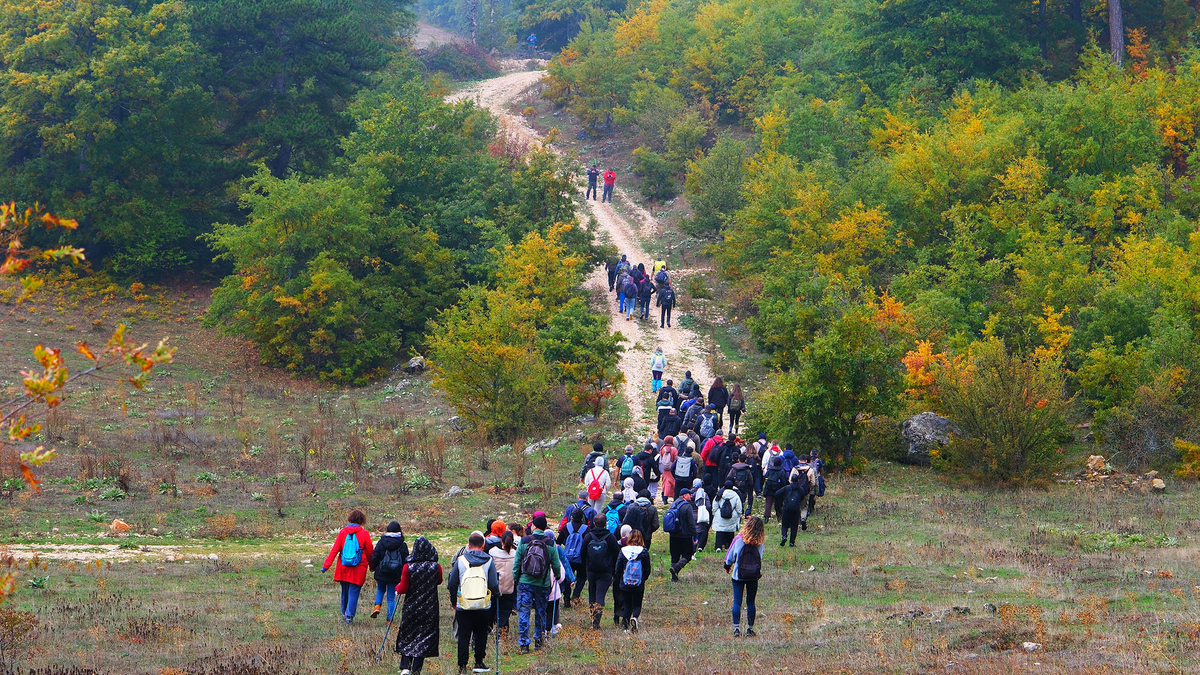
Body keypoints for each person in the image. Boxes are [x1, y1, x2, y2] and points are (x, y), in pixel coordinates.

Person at [447, 532, 500, 674]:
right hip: (483, 604)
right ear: (483, 546)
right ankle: (478, 662)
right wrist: (497, 594)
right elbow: (494, 583)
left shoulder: (461, 560)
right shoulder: (489, 560)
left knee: (464, 635)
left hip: (464, 604)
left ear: (469, 546)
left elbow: (452, 584)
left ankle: (462, 666)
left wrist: (453, 601)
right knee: (481, 633)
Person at [512, 515, 562, 653]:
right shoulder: (550, 543)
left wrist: (516, 578)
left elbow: (517, 562)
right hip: (543, 583)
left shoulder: (524, 541)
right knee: (541, 612)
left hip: (524, 582)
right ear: (545, 527)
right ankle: (538, 640)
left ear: (533, 526)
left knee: (524, 611)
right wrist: (557, 577)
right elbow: (556, 565)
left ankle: (524, 643)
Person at [395, 537, 442, 675]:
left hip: (411, 607)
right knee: (424, 637)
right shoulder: (436, 567)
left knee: (408, 634)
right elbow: (439, 581)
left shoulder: (408, 567)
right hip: (429, 608)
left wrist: (397, 588)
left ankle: (405, 666)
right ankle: (416, 669)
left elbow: (403, 588)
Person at [321, 509, 374, 624]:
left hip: (343, 568)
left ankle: (344, 614)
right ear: (362, 520)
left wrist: (326, 566)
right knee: (354, 592)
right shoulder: (364, 534)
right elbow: (370, 552)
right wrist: (372, 566)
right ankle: (349, 616)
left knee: (344, 592)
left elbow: (334, 550)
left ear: (350, 518)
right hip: (358, 568)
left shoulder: (343, 532)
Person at [724, 516, 765, 638]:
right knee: (751, 602)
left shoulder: (738, 539)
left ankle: (736, 628)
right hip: (753, 575)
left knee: (737, 601)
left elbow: (730, 556)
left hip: (738, 575)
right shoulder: (760, 542)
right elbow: (760, 557)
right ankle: (750, 628)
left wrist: (727, 566)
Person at [579, 514, 619, 629]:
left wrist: (587, 566)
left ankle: (593, 619)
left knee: (592, 594)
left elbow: (582, 554)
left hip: (591, 571)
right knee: (600, 595)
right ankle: (597, 622)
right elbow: (616, 554)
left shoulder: (588, 537)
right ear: (605, 523)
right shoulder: (610, 537)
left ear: (594, 523)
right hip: (606, 571)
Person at [369, 521, 408, 620]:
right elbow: (406, 560)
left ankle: (377, 606)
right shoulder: (402, 544)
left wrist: (373, 567)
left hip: (381, 572)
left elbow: (375, 556)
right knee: (391, 597)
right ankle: (389, 620)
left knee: (380, 590)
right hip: (395, 574)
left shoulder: (381, 542)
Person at [615, 530, 651, 632]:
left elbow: (618, 568)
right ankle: (634, 618)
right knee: (637, 604)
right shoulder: (644, 552)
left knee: (627, 604)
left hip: (625, 582)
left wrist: (619, 579)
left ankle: (624, 625)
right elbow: (647, 569)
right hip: (638, 582)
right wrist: (643, 579)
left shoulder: (623, 551)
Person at [556, 507, 589, 607]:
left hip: (568, 557)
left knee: (567, 578)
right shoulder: (586, 529)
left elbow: (558, 542)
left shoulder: (566, 527)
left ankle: (566, 599)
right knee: (582, 577)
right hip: (581, 557)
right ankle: (576, 595)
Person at [489, 530, 517, 636]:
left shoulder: (493, 552)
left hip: (495, 588)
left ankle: (489, 629)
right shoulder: (515, 554)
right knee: (505, 612)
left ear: (501, 541)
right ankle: (503, 634)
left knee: (492, 610)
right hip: (509, 588)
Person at [667, 489, 697, 580]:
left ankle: (674, 577)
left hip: (673, 534)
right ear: (684, 496)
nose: (691, 496)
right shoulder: (687, 506)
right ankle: (676, 568)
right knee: (688, 555)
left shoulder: (673, 505)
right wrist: (694, 535)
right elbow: (691, 523)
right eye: (689, 494)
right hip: (685, 535)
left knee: (674, 556)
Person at [775, 473, 810, 546]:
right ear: (798, 480)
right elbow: (802, 497)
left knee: (784, 524)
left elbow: (777, 493)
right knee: (794, 526)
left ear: (791, 480)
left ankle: (784, 536)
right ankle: (792, 542)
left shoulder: (786, 488)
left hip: (786, 508)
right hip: (796, 509)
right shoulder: (800, 489)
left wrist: (783, 499)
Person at [712, 481, 743, 551]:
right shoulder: (735, 495)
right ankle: (728, 546)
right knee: (730, 531)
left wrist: (715, 513)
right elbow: (739, 508)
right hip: (732, 516)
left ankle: (718, 546)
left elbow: (715, 505)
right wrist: (738, 514)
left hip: (720, 515)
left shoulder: (720, 494)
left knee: (720, 530)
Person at [761, 456, 787, 523]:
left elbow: (765, 477)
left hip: (769, 489)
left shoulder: (770, 470)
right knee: (778, 504)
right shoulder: (782, 471)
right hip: (778, 489)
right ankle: (779, 516)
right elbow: (784, 481)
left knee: (768, 503)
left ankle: (766, 517)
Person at [692, 477, 712, 553]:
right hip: (700, 514)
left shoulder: (689, 493)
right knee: (699, 531)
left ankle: (692, 545)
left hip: (691, 514)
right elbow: (708, 505)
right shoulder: (703, 494)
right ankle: (696, 546)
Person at [658, 437, 678, 503]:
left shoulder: (662, 449)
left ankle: (664, 495)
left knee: (665, 483)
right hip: (671, 469)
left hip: (664, 469)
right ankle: (669, 496)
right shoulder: (674, 450)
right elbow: (676, 459)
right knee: (671, 483)